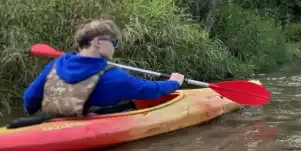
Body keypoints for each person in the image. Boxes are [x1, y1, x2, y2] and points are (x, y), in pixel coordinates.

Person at [22, 19, 185, 117]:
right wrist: (173, 82)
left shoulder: (54, 66)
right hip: (90, 128)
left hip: (52, 124)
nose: (114, 48)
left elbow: (29, 99)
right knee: (129, 104)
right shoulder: (114, 77)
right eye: (113, 43)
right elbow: (151, 90)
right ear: (98, 42)